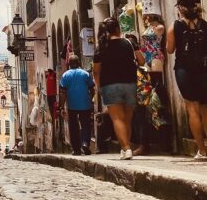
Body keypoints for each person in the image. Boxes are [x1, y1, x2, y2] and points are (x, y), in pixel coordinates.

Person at [167, 0, 207, 160]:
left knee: (192, 109)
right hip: (205, 70)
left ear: (180, 8)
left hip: (184, 71)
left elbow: (170, 50)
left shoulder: (174, 26)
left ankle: (201, 150)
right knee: (206, 108)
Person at [93, 16, 144, 160]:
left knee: (117, 119)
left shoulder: (101, 47)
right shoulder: (129, 42)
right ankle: (125, 148)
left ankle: (126, 148)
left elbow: (96, 70)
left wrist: (99, 86)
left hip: (110, 85)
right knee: (127, 119)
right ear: (118, 28)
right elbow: (141, 60)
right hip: (130, 83)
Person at [59, 54, 95, 155]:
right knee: (86, 125)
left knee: (73, 127)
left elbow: (63, 93)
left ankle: (76, 149)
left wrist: (61, 106)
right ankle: (85, 143)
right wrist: (90, 99)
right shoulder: (85, 74)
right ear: (79, 63)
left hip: (72, 105)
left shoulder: (65, 75)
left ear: (69, 64)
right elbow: (92, 89)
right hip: (85, 104)